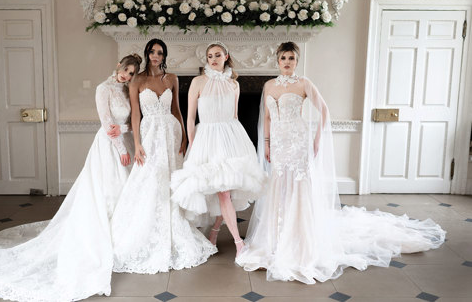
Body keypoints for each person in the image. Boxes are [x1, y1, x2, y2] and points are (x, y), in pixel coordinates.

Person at [236, 42, 446, 283]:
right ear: (277, 60)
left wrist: (316, 140)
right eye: (283, 57)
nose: (287, 62)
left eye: (291, 58)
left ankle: (300, 238)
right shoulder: (268, 85)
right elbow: (268, 117)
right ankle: (275, 236)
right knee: (279, 186)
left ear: (297, 60)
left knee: (298, 185)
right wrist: (267, 143)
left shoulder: (304, 83)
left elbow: (323, 110)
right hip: (280, 144)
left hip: (297, 141)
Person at [0, 54, 142, 301]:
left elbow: (130, 121)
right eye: (126, 70)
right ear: (118, 65)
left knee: (129, 192)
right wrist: (120, 149)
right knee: (109, 191)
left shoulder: (125, 89)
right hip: (110, 147)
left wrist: (127, 135)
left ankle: (125, 238)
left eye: (132, 73)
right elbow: (107, 122)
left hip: (127, 141)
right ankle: (107, 240)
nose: (127, 76)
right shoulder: (103, 89)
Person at [111, 39, 217, 274]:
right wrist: (137, 144)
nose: (155, 56)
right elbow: (136, 116)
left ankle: (175, 224)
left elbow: (176, 109)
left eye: (159, 52)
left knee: (173, 180)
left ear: (164, 55)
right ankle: (148, 227)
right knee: (150, 178)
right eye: (152, 52)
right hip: (149, 135)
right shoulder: (137, 80)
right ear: (147, 54)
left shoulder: (172, 79)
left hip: (171, 133)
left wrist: (184, 137)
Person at [171, 41, 266, 257]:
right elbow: (191, 117)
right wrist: (193, 145)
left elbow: (234, 115)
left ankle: (216, 231)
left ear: (226, 56)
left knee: (226, 192)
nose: (213, 59)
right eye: (210, 56)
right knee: (221, 192)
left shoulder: (234, 84)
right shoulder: (198, 82)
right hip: (207, 139)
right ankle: (237, 242)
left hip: (231, 138)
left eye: (217, 55)